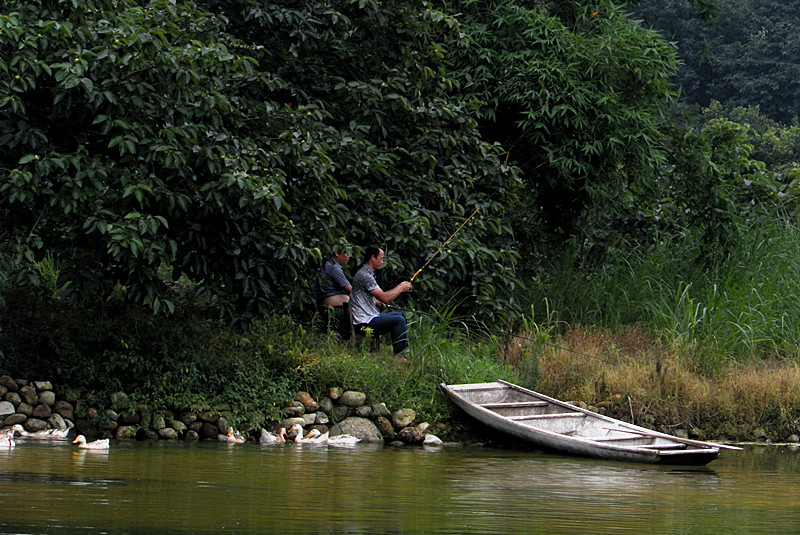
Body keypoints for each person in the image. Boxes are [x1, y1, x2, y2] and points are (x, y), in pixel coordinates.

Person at [350, 245, 413, 357]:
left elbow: (363, 296)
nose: (383, 262)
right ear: (373, 258)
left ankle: (401, 353)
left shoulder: (366, 274)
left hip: (367, 318)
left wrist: (375, 302)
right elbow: (384, 297)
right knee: (399, 319)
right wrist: (401, 287)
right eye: (381, 258)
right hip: (364, 323)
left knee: (397, 315)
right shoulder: (365, 276)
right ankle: (400, 356)